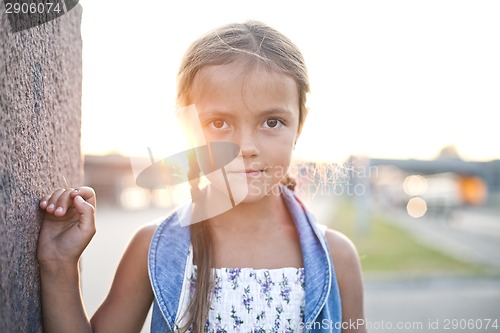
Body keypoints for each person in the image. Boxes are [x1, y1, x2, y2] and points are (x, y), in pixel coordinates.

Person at [38, 21, 366, 333]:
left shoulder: (337, 257)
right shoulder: (156, 247)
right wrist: (58, 264)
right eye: (220, 123)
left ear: (300, 125)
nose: (246, 147)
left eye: (271, 122)